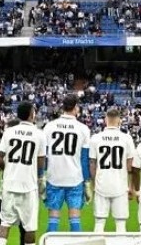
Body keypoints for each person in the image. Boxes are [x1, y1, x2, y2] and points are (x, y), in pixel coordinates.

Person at [0, 102, 47, 245]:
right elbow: (41, 162)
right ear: (32, 114)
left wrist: (9, 170)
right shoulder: (39, 134)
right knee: (30, 227)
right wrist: (40, 178)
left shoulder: (9, 132)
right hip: (29, 186)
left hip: (9, 184)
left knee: (4, 224)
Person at [42, 96, 92, 232]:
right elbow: (84, 158)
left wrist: (42, 176)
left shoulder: (49, 127)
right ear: (76, 107)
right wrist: (87, 182)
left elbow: (44, 156)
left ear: (63, 107)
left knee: (53, 217)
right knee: (75, 218)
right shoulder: (83, 129)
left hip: (54, 177)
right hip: (75, 178)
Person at [88, 108, 137, 232]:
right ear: (119, 120)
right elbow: (130, 165)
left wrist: (93, 184)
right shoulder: (126, 138)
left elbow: (92, 164)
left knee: (99, 222)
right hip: (120, 185)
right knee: (121, 224)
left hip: (101, 184)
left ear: (105, 119)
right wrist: (131, 186)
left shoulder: (96, 138)